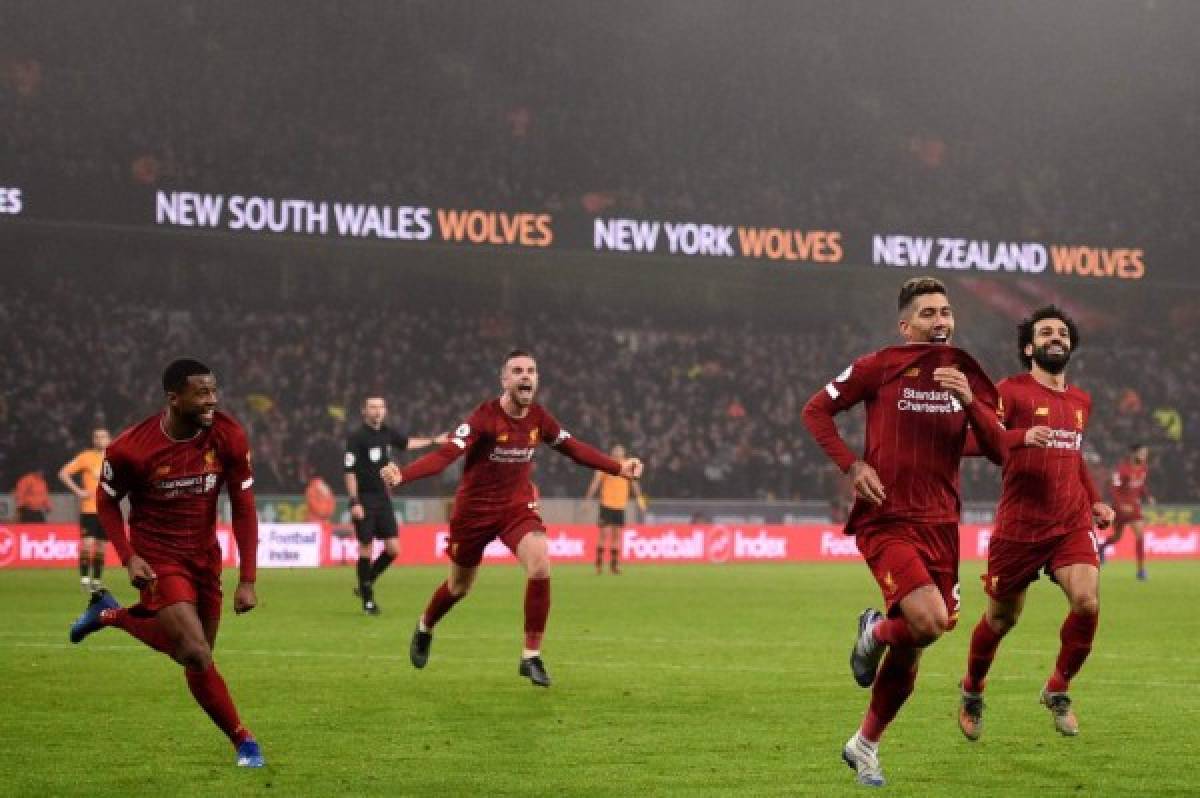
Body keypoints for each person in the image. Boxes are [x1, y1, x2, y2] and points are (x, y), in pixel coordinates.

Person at [801, 277, 1004, 787]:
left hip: (941, 524)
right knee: (929, 622)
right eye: (929, 313)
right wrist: (851, 465)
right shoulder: (880, 366)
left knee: (915, 641)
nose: (941, 321)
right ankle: (872, 631)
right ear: (906, 324)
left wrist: (971, 406)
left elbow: (998, 447)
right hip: (887, 517)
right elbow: (815, 410)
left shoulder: (968, 374)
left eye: (947, 312)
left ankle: (864, 745)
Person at [381, 349, 643, 687]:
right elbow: (447, 454)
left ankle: (530, 655)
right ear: (504, 380)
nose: (525, 377)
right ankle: (425, 625)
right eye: (517, 371)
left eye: (531, 371)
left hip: (515, 508)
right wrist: (403, 475)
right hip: (473, 513)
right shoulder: (483, 418)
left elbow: (574, 448)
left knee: (540, 562)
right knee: (459, 587)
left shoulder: (539, 418)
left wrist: (618, 468)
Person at [66, 358, 265, 768]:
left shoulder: (228, 435)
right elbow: (105, 502)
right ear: (174, 398)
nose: (212, 400)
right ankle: (244, 742)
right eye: (202, 393)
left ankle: (109, 615)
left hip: (205, 557)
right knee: (195, 653)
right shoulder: (131, 449)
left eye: (214, 390)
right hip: (158, 557)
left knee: (194, 656)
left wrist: (248, 578)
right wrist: (129, 556)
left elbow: (244, 507)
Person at [956, 306, 1115, 742]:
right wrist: (1021, 437)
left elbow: (1073, 455)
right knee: (1001, 620)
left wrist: (1096, 502)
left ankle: (1058, 689)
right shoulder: (1010, 391)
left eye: (1062, 332)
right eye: (1045, 332)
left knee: (1087, 601)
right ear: (1029, 347)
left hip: (1070, 522)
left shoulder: (1081, 401)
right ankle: (972, 689)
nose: (1055, 337)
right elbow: (976, 442)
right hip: (1019, 528)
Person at [344, 396, 445, 615]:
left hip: (383, 498)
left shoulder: (386, 433)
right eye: (372, 407)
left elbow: (407, 443)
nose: (377, 410)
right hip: (364, 498)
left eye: (381, 406)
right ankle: (368, 600)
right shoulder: (356, 437)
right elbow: (350, 472)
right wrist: (354, 502)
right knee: (366, 548)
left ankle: (365, 583)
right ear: (364, 411)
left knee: (393, 549)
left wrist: (434, 441)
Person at [59, 427, 112, 593]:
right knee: (88, 544)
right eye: (96, 437)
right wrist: (78, 492)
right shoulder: (86, 457)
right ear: (93, 440)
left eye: (103, 436)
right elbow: (63, 473)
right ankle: (84, 580)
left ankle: (96, 581)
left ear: (109, 439)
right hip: (89, 509)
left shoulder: (115, 458)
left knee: (101, 547)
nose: (99, 439)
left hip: (108, 511)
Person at [583, 444, 647, 574]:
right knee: (604, 535)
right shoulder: (605, 465)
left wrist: (641, 500)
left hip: (620, 506)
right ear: (612, 453)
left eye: (620, 451)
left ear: (624, 454)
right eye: (616, 451)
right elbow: (595, 483)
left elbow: (634, 483)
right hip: (606, 505)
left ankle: (614, 565)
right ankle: (599, 564)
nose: (618, 453)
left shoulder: (627, 466)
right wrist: (587, 500)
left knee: (617, 536)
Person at [1098, 444, 1153, 579]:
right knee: (1117, 537)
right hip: (1120, 508)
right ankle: (1102, 548)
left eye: (1146, 453)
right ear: (1133, 454)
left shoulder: (1144, 468)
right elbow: (1114, 489)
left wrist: (1148, 496)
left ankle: (1140, 570)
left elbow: (1141, 485)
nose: (1144, 456)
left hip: (1134, 508)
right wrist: (1121, 504)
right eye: (1142, 453)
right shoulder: (1122, 469)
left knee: (1140, 535)